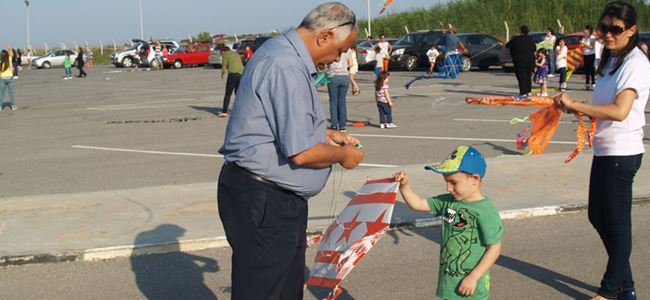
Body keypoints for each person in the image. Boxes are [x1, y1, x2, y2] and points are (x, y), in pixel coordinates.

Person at [217, 3, 363, 299]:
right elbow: (302, 152)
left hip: (269, 198)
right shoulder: (285, 64)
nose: (338, 58)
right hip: (265, 200)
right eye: (340, 50)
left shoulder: (281, 53)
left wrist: (325, 134)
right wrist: (344, 156)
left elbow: (279, 123)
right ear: (324, 37)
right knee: (266, 290)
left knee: (282, 288)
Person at [554, 2, 650, 299]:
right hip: (606, 150)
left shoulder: (636, 63)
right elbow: (603, 107)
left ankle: (610, 291)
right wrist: (574, 110)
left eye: (616, 29)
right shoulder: (611, 60)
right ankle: (625, 286)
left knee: (618, 224)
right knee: (598, 215)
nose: (607, 35)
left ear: (631, 30)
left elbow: (620, 112)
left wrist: (576, 104)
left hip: (623, 153)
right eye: (603, 28)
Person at [394, 145, 503, 300]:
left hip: (472, 289)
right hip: (449, 284)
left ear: (475, 179)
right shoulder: (448, 202)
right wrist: (404, 187)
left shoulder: (486, 211)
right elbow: (418, 204)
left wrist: (473, 277)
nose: (448, 187)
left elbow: (494, 248)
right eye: (446, 181)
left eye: (453, 182)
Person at [506, 26, 536, 97]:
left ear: (520, 31)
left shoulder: (516, 39)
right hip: (530, 60)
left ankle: (523, 92)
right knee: (528, 76)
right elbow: (534, 48)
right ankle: (529, 91)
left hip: (519, 61)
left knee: (521, 76)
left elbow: (508, 46)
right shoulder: (530, 39)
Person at [218, 44, 244, 118]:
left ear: (223, 51)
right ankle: (240, 110)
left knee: (228, 94)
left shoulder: (225, 54)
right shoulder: (235, 53)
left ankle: (224, 112)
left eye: (221, 53)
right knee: (238, 93)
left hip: (233, 75)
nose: (221, 54)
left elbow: (224, 66)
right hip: (241, 74)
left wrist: (222, 74)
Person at [327, 49, 349, 131]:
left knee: (333, 102)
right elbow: (350, 63)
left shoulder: (332, 50)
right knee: (342, 102)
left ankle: (334, 124)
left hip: (334, 76)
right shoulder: (347, 51)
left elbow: (336, 59)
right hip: (344, 76)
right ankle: (342, 126)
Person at [1, 45, 17, 111]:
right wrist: (9, 47)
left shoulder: (0, 62)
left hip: (2, 79)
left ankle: (0, 107)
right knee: (11, 93)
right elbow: (12, 54)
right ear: (7, 55)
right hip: (9, 78)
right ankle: (13, 106)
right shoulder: (9, 60)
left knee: (1, 94)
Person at [582, 25, 597, 90]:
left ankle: (593, 83)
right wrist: (582, 43)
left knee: (591, 69)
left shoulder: (592, 37)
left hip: (591, 55)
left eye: (585, 29)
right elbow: (583, 45)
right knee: (586, 70)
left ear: (589, 30)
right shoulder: (585, 37)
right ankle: (587, 83)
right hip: (585, 54)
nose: (584, 31)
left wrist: (584, 43)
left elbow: (591, 47)